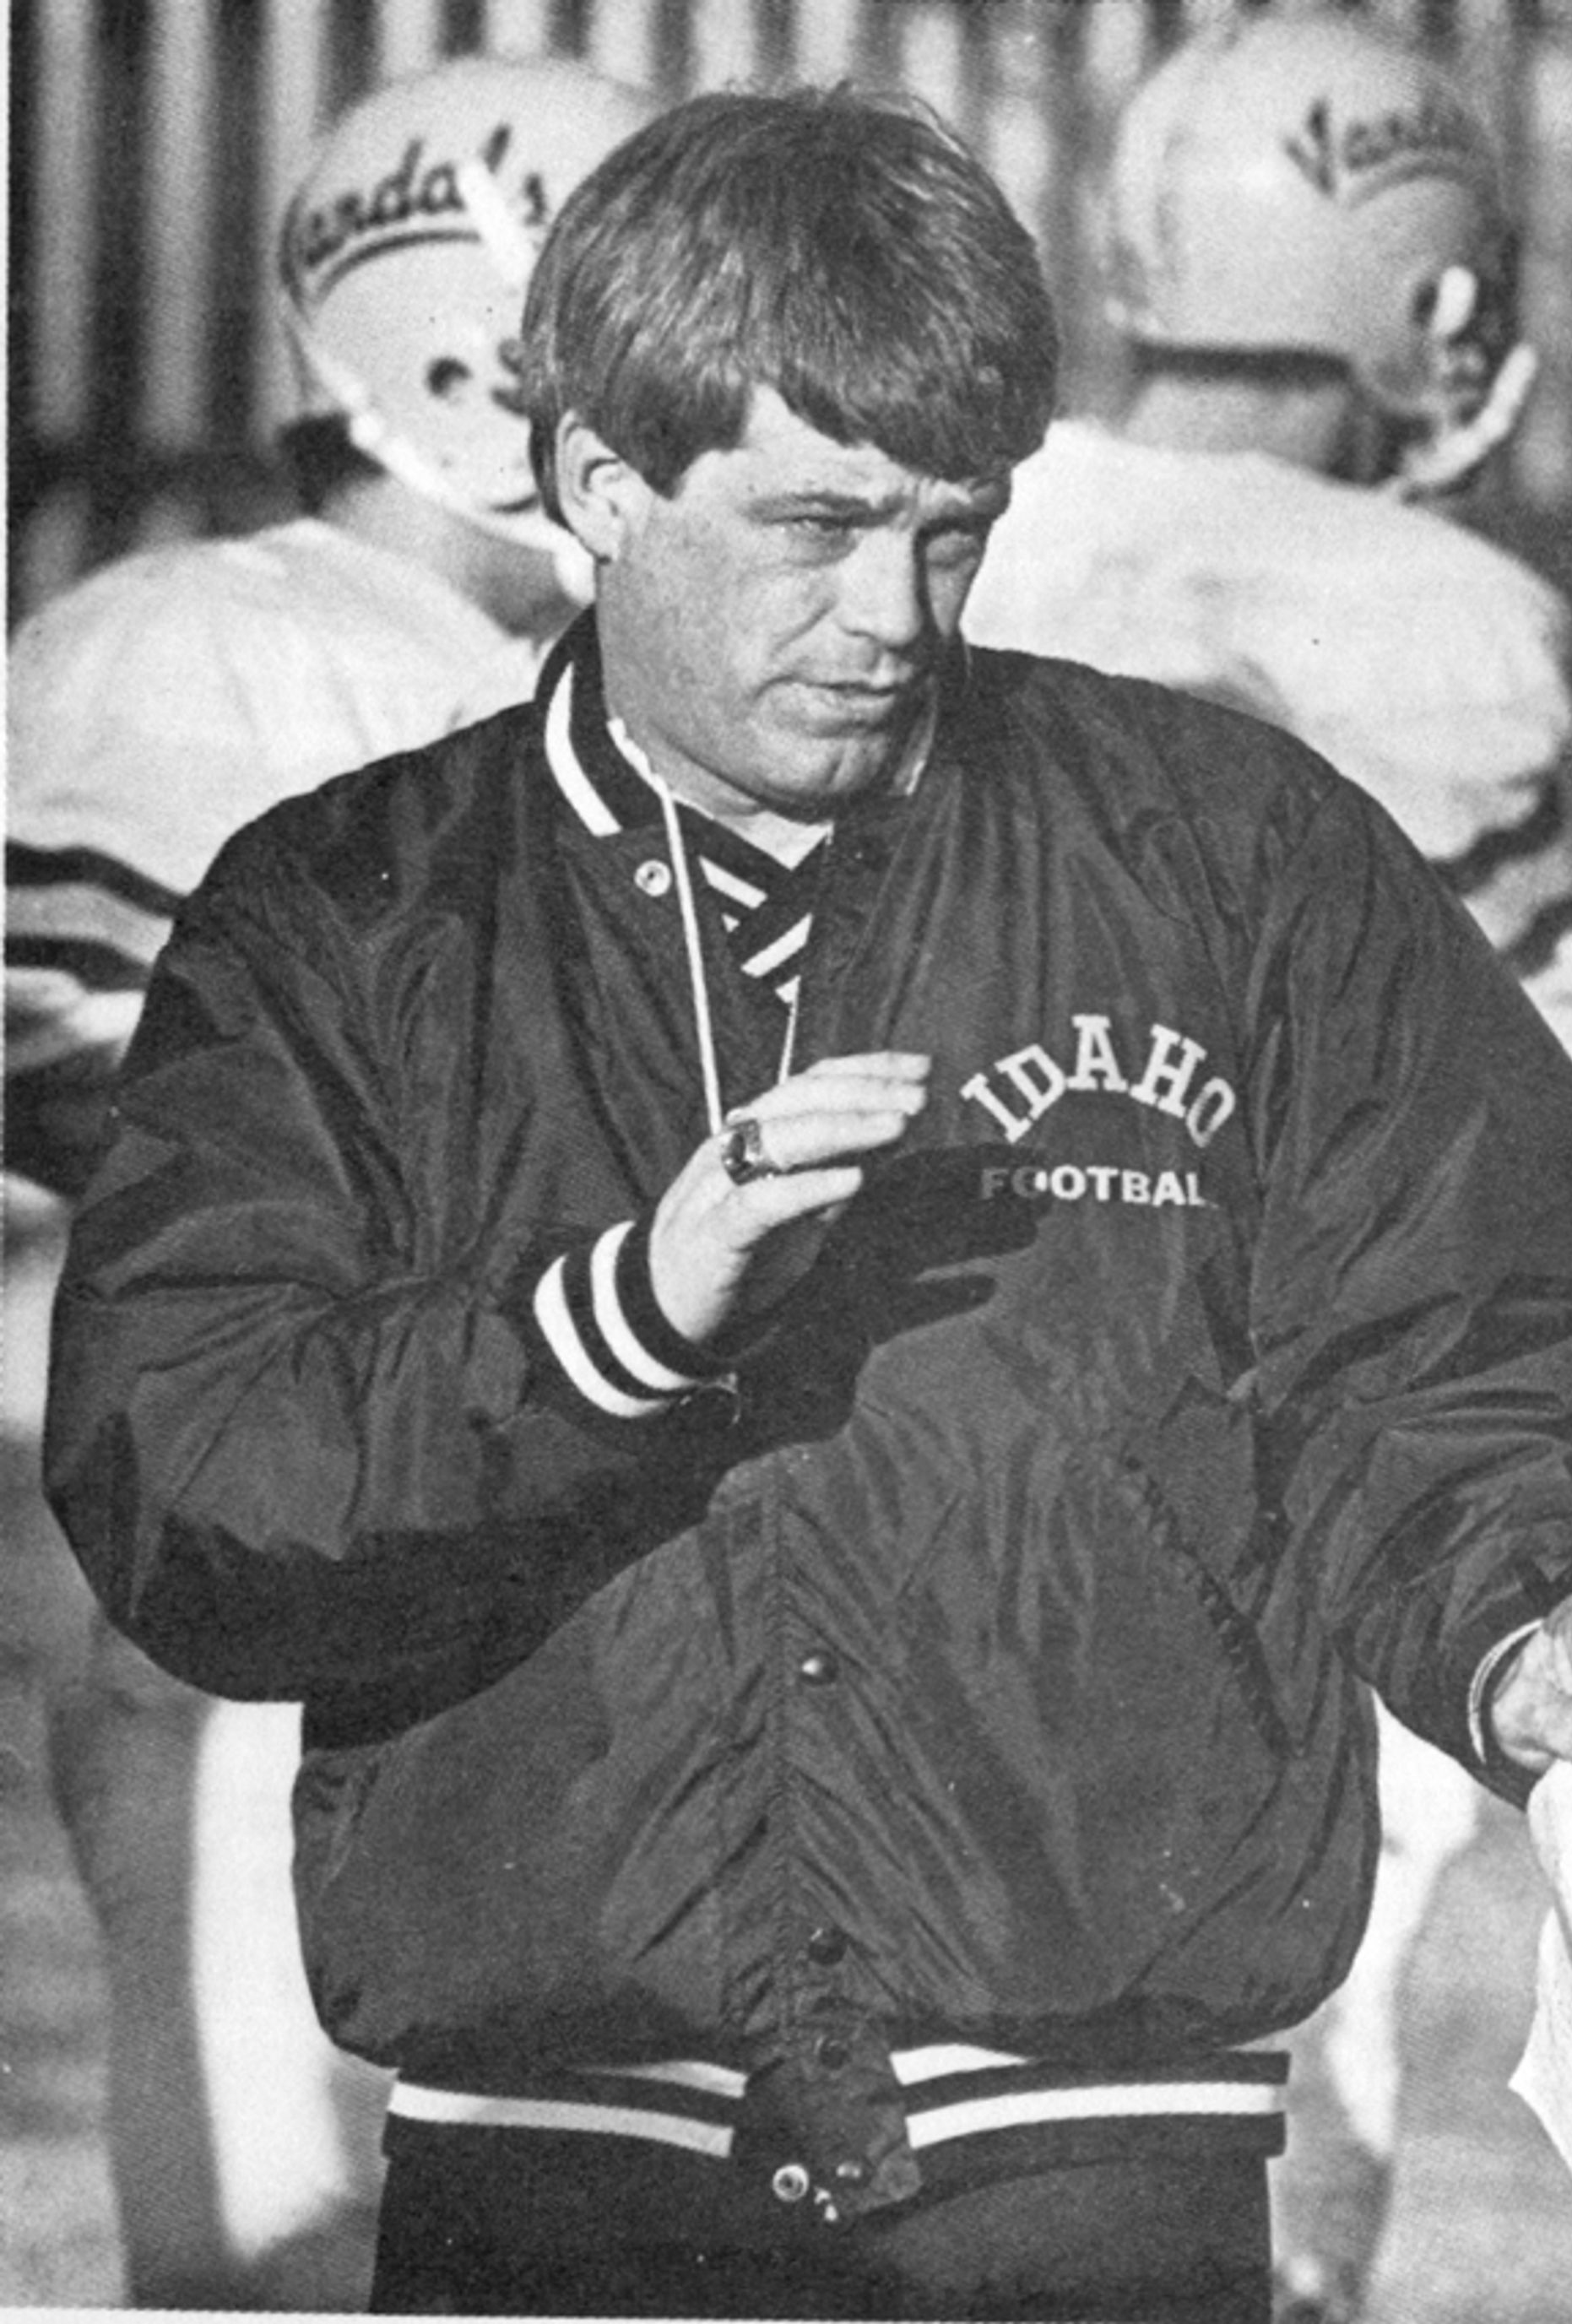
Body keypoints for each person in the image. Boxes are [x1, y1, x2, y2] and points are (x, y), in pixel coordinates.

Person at [46, 82, 1572, 2324]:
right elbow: (185, 1478)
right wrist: (612, 1327)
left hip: (1105, 2170)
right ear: (596, 485)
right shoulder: (346, 916)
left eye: (955, 529)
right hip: (558, 2181)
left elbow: (1477, 1337)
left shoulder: (1230, 857)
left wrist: (1521, 1602)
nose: (893, 614)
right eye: (818, 525)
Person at [957, 19, 1572, 2319]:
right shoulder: (1428, 615)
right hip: (1266, 1490)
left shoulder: (952, 525)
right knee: (1267, 2121)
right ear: (1430, 300)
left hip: (907, 1464)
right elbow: (1548, 1119)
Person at [2, 54, 660, 2305]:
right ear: (479, 364)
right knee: (266, 2243)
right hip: (257, 1556)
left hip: (525, 1538)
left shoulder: (567, 682)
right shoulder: (210, 654)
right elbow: (86, 1087)